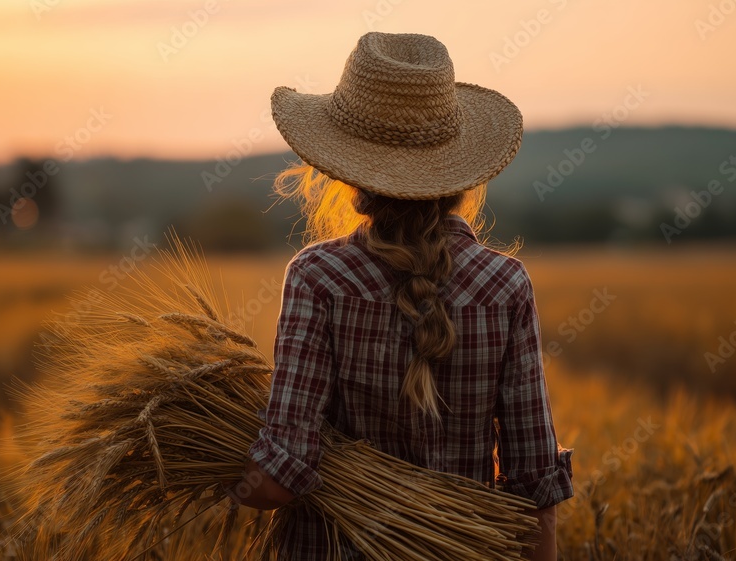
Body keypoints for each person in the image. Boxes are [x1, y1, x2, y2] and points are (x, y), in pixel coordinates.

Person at [224, 31, 574, 560]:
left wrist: (202, 462)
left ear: (349, 174)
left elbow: (282, 478)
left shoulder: (318, 278)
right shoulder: (506, 286)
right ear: (461, 176)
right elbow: (535, 490)